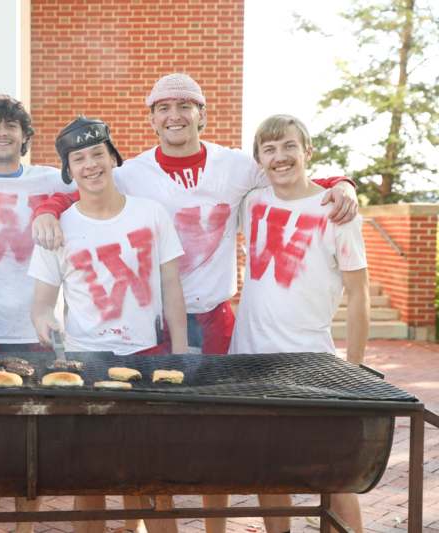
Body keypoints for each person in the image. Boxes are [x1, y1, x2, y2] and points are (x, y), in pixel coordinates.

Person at [30, 73, 359, 533]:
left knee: (216, 435)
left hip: (217, 316)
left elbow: (292, 173)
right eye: (163, 107)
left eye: (185, 105)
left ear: (202, 113)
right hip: (158, 321)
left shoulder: (236, 166)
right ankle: (135, 524)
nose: (175, 115)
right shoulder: (132, 171)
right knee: (148, 435)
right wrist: (45, 209)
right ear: (151, 119)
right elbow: (79, 184)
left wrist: (342, 183)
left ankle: (214, 528)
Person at [28, 116, 188, 533]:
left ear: (113, 157)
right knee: (91, 477)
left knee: (151, 477)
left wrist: (182, 352)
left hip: (148, 358)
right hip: (86, 364)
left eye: (97, 153)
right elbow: (41, 305)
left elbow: (172, 287)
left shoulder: (151, 214)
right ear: (68, 170)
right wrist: (45, 325)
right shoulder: (57, 228)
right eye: (78, 158)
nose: (90, 165)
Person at [230, 114, 369, 533]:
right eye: (269, 150)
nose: (280, 157)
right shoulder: (252, 202)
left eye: (289, 146)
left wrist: (355, 369)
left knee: (334, 474)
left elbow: (359, 293)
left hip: (311, 363)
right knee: (267, 471)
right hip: (250, 359)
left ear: (307, 152)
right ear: (259, 160)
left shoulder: (335, 211)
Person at [0, 94, 72, 533]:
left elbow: (95, 188)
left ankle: (26, 529)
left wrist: (50, 208)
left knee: (33, 444)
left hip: (40, 329)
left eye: (11, 125)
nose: (1, 132)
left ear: (25, 136)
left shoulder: (49, 181)